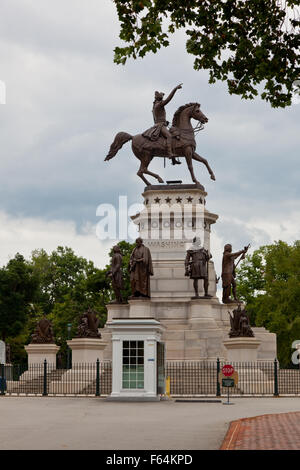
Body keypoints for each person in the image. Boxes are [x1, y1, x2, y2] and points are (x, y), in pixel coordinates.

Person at [143, 84, 183, 165]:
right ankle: (170, 154)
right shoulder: (158, 105)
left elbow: (158, 118)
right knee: (169, 136)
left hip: (161, 124)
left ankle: (173, 160)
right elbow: (169, 99)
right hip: (160, 126)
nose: (162, 97)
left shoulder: (155, 105)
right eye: (161, 96)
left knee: (174, 135)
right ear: (157, 97)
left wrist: (165, 122)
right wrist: (175, 89)